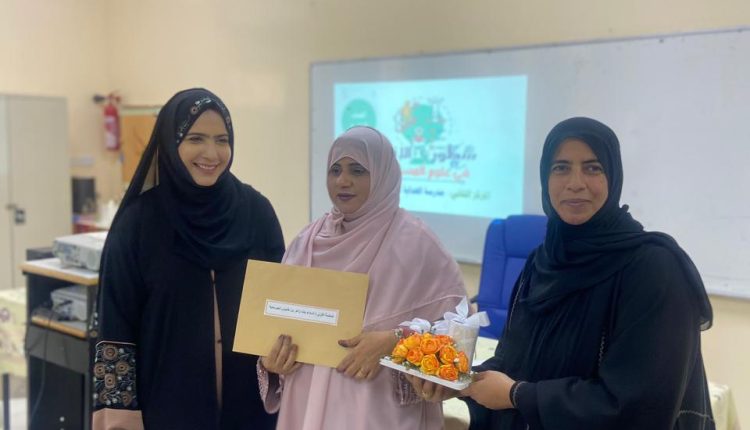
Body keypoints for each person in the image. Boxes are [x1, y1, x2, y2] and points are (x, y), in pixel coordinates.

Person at [409, 117, 715, 429]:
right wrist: (461, 381)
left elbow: (640, 404)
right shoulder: (541, 261)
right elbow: (513, 360)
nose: (575, 183)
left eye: (592, 168)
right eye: (561, 168)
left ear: (613, 177)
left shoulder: (653, 268)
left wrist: (518, 396)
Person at [92, 88, 284, 429]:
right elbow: (116, 330)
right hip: (167, 409)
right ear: (171, 141)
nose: (212, 153)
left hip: (251, 410)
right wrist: (119, 419)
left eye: (222, 140)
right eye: (196, 138)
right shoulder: (139, 224)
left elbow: (280, 304)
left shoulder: (256, 213)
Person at [256, 126, 468, 430]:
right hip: (306, 404)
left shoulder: (417, 244)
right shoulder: (309, 241)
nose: (343, 181)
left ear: (383, 174)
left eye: (357, 170)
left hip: (379, 412)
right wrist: (272, 361)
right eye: (335, 170)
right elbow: (278, 328)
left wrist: (394, 341)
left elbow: (459, 339)